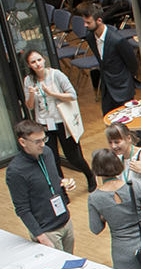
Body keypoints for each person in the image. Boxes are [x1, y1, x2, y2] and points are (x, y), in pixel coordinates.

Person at [87, 148, 141, 269]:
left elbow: (96, 229)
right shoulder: (133, 186)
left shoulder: (94, 198)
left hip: (123, 251)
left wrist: (105, 215)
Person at [22, 48, 94, 190]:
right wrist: (31, 94)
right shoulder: (28, 80)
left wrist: (52, 93)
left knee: (74, 158)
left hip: (62, 122)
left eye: (39, 60)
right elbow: (30, 106)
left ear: (43, 59)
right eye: (33, 62)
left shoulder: (56, 75)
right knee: (52, 160)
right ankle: (62, 191)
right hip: (43, 124)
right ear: (29, 65)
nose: (37, 64)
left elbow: (72, 95)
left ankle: (90, 175)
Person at [5, 121, 77, 251]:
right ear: (23, 142)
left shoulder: (47, 153)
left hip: (65, 221)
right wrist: (41, 237)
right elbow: (22, 209)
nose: (43, 144)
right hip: (47, 232)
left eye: (44, 139)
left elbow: (50, 178)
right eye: (37, 141)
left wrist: (63, 181)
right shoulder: (16, 171)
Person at [78, 4, 140, 117]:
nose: (85, 25)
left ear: (99, 20)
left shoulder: (117, 40)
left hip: (122, 86)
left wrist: (127, 79)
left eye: (88, 22)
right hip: (107, 86)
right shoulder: (90, 37)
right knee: (109, 119)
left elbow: (132, 62)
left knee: (128, 121)